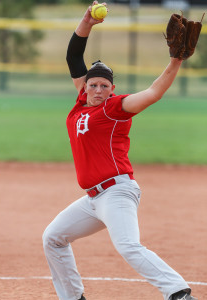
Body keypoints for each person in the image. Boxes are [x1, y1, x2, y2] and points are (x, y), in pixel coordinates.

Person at [42, 2, 197, 300]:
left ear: (112, 90)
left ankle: (178, 292)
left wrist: (176, 60)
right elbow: (73, 55)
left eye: (104, 85)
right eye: (93, 84)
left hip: (117, 192)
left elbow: (154, 92)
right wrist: (86, 22)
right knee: (53, 238)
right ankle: (73, 297)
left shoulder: (115, 109)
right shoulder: (80, 103)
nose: (98, 90)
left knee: (127, 245)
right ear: (85, 87)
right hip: (92, 198)